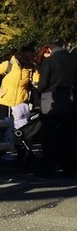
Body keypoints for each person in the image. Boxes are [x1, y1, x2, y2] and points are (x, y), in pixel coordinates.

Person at [34, 39, 77, 177]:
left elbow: (43, 84)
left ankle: (49, 168)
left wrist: (39, 93)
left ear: (50, 49)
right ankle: (69, 168)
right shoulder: (74, 59)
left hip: (51, 100)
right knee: (70, 136)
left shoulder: (50, 61)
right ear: (64, 46)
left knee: (49, 137)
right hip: (71, 99)